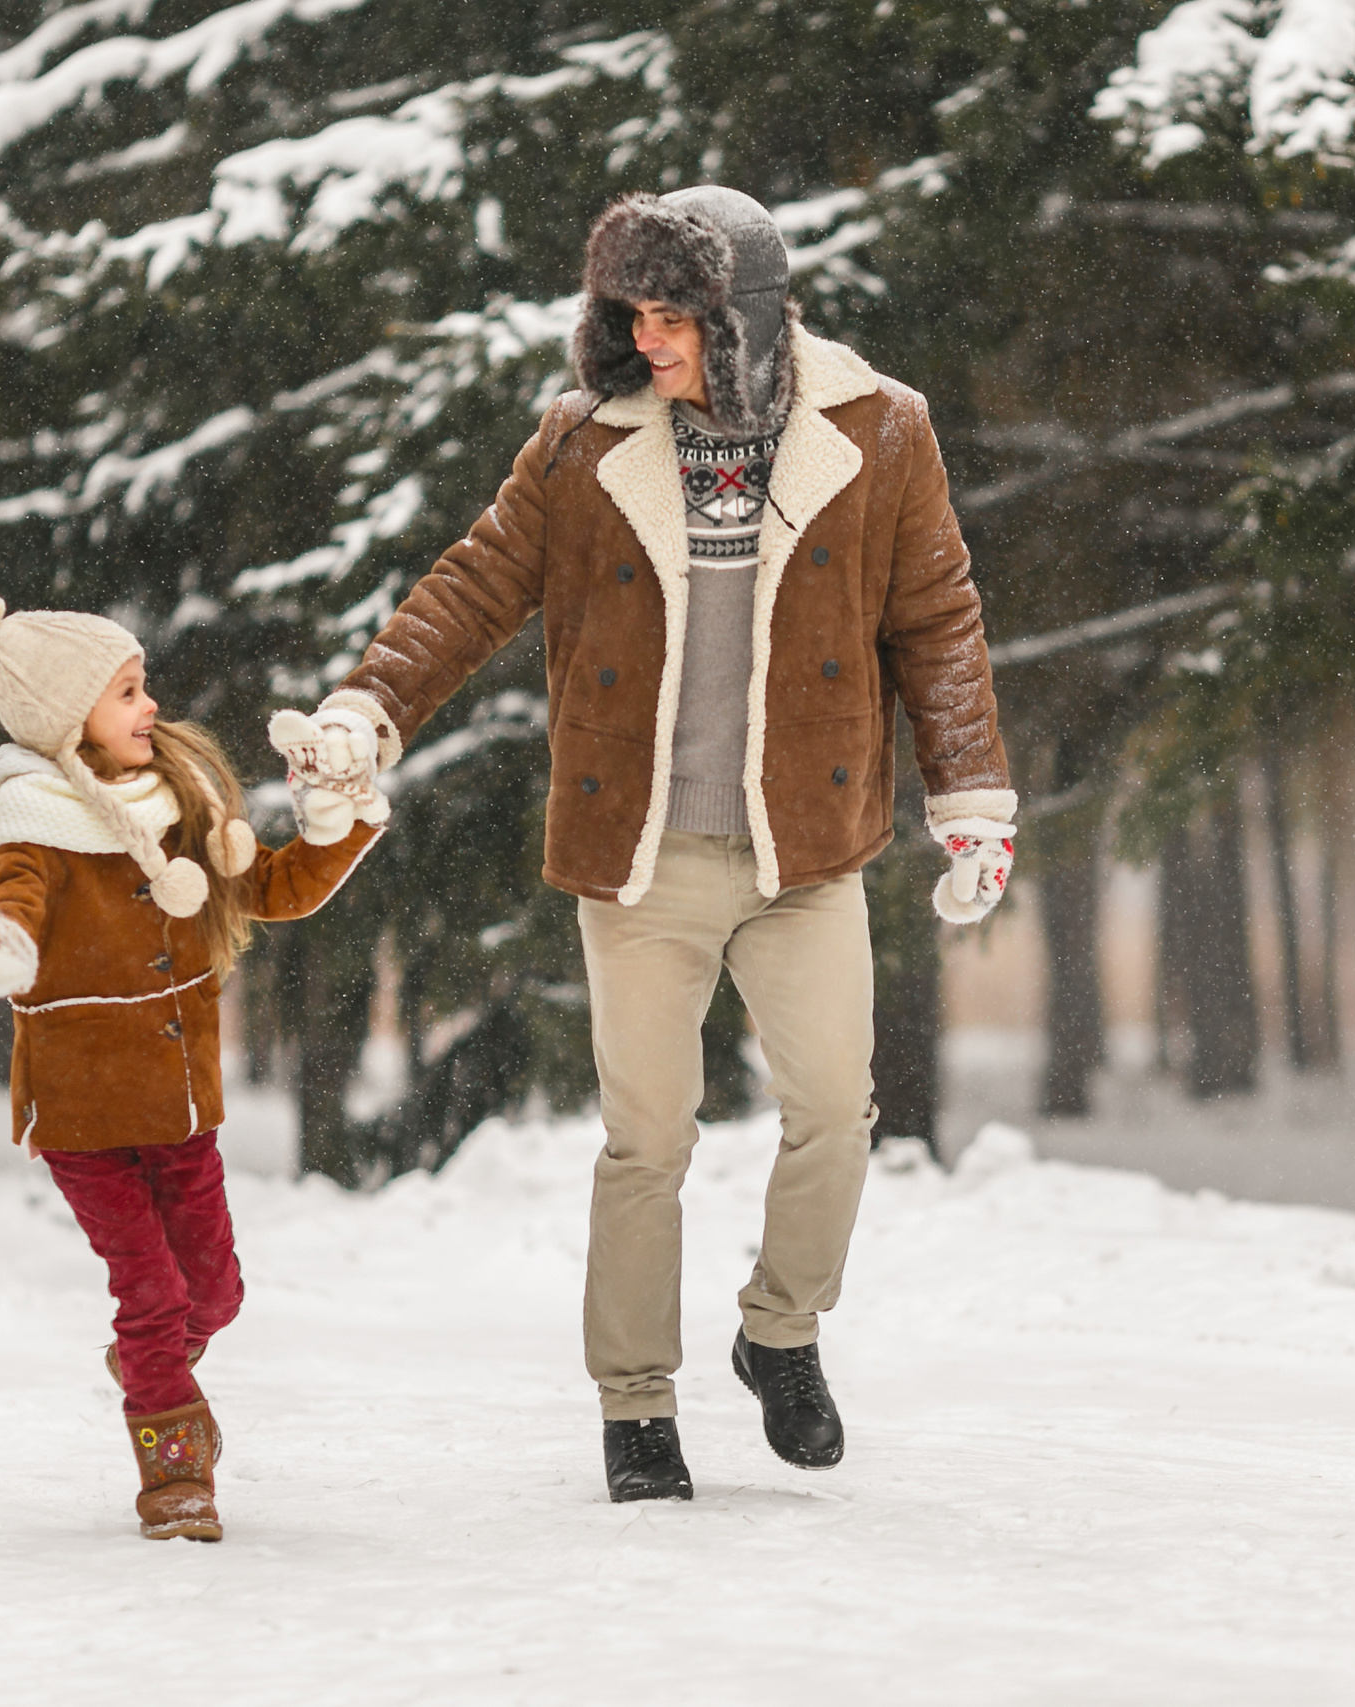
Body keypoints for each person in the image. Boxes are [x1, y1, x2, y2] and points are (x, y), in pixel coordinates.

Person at [272, 186, 1018, 1503]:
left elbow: (940, 620)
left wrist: (969, 796)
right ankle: (634, 1402)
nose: (650, 341)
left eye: (674, 316)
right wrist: (367, 705)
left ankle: (780, 1331)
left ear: (748, 320)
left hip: (806, 849)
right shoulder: (577, 445)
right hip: (642, 853)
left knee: (836, 1112)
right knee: (646, 1139)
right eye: (633, 315)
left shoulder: (882, 431)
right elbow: (472, 584)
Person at [0, 592, 385, 1541]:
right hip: (82, 1114)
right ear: (67, 717)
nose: (150, 706)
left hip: (182, 1105)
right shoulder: (32, 823)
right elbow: (9, 900)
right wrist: (1, 946)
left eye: (143, 686)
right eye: (126, 692)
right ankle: (176, 1478)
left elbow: (270, 887)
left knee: (213, 1291)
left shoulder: (177, 802)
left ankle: (154, 1365)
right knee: (150, 1295)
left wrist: (332, 824)